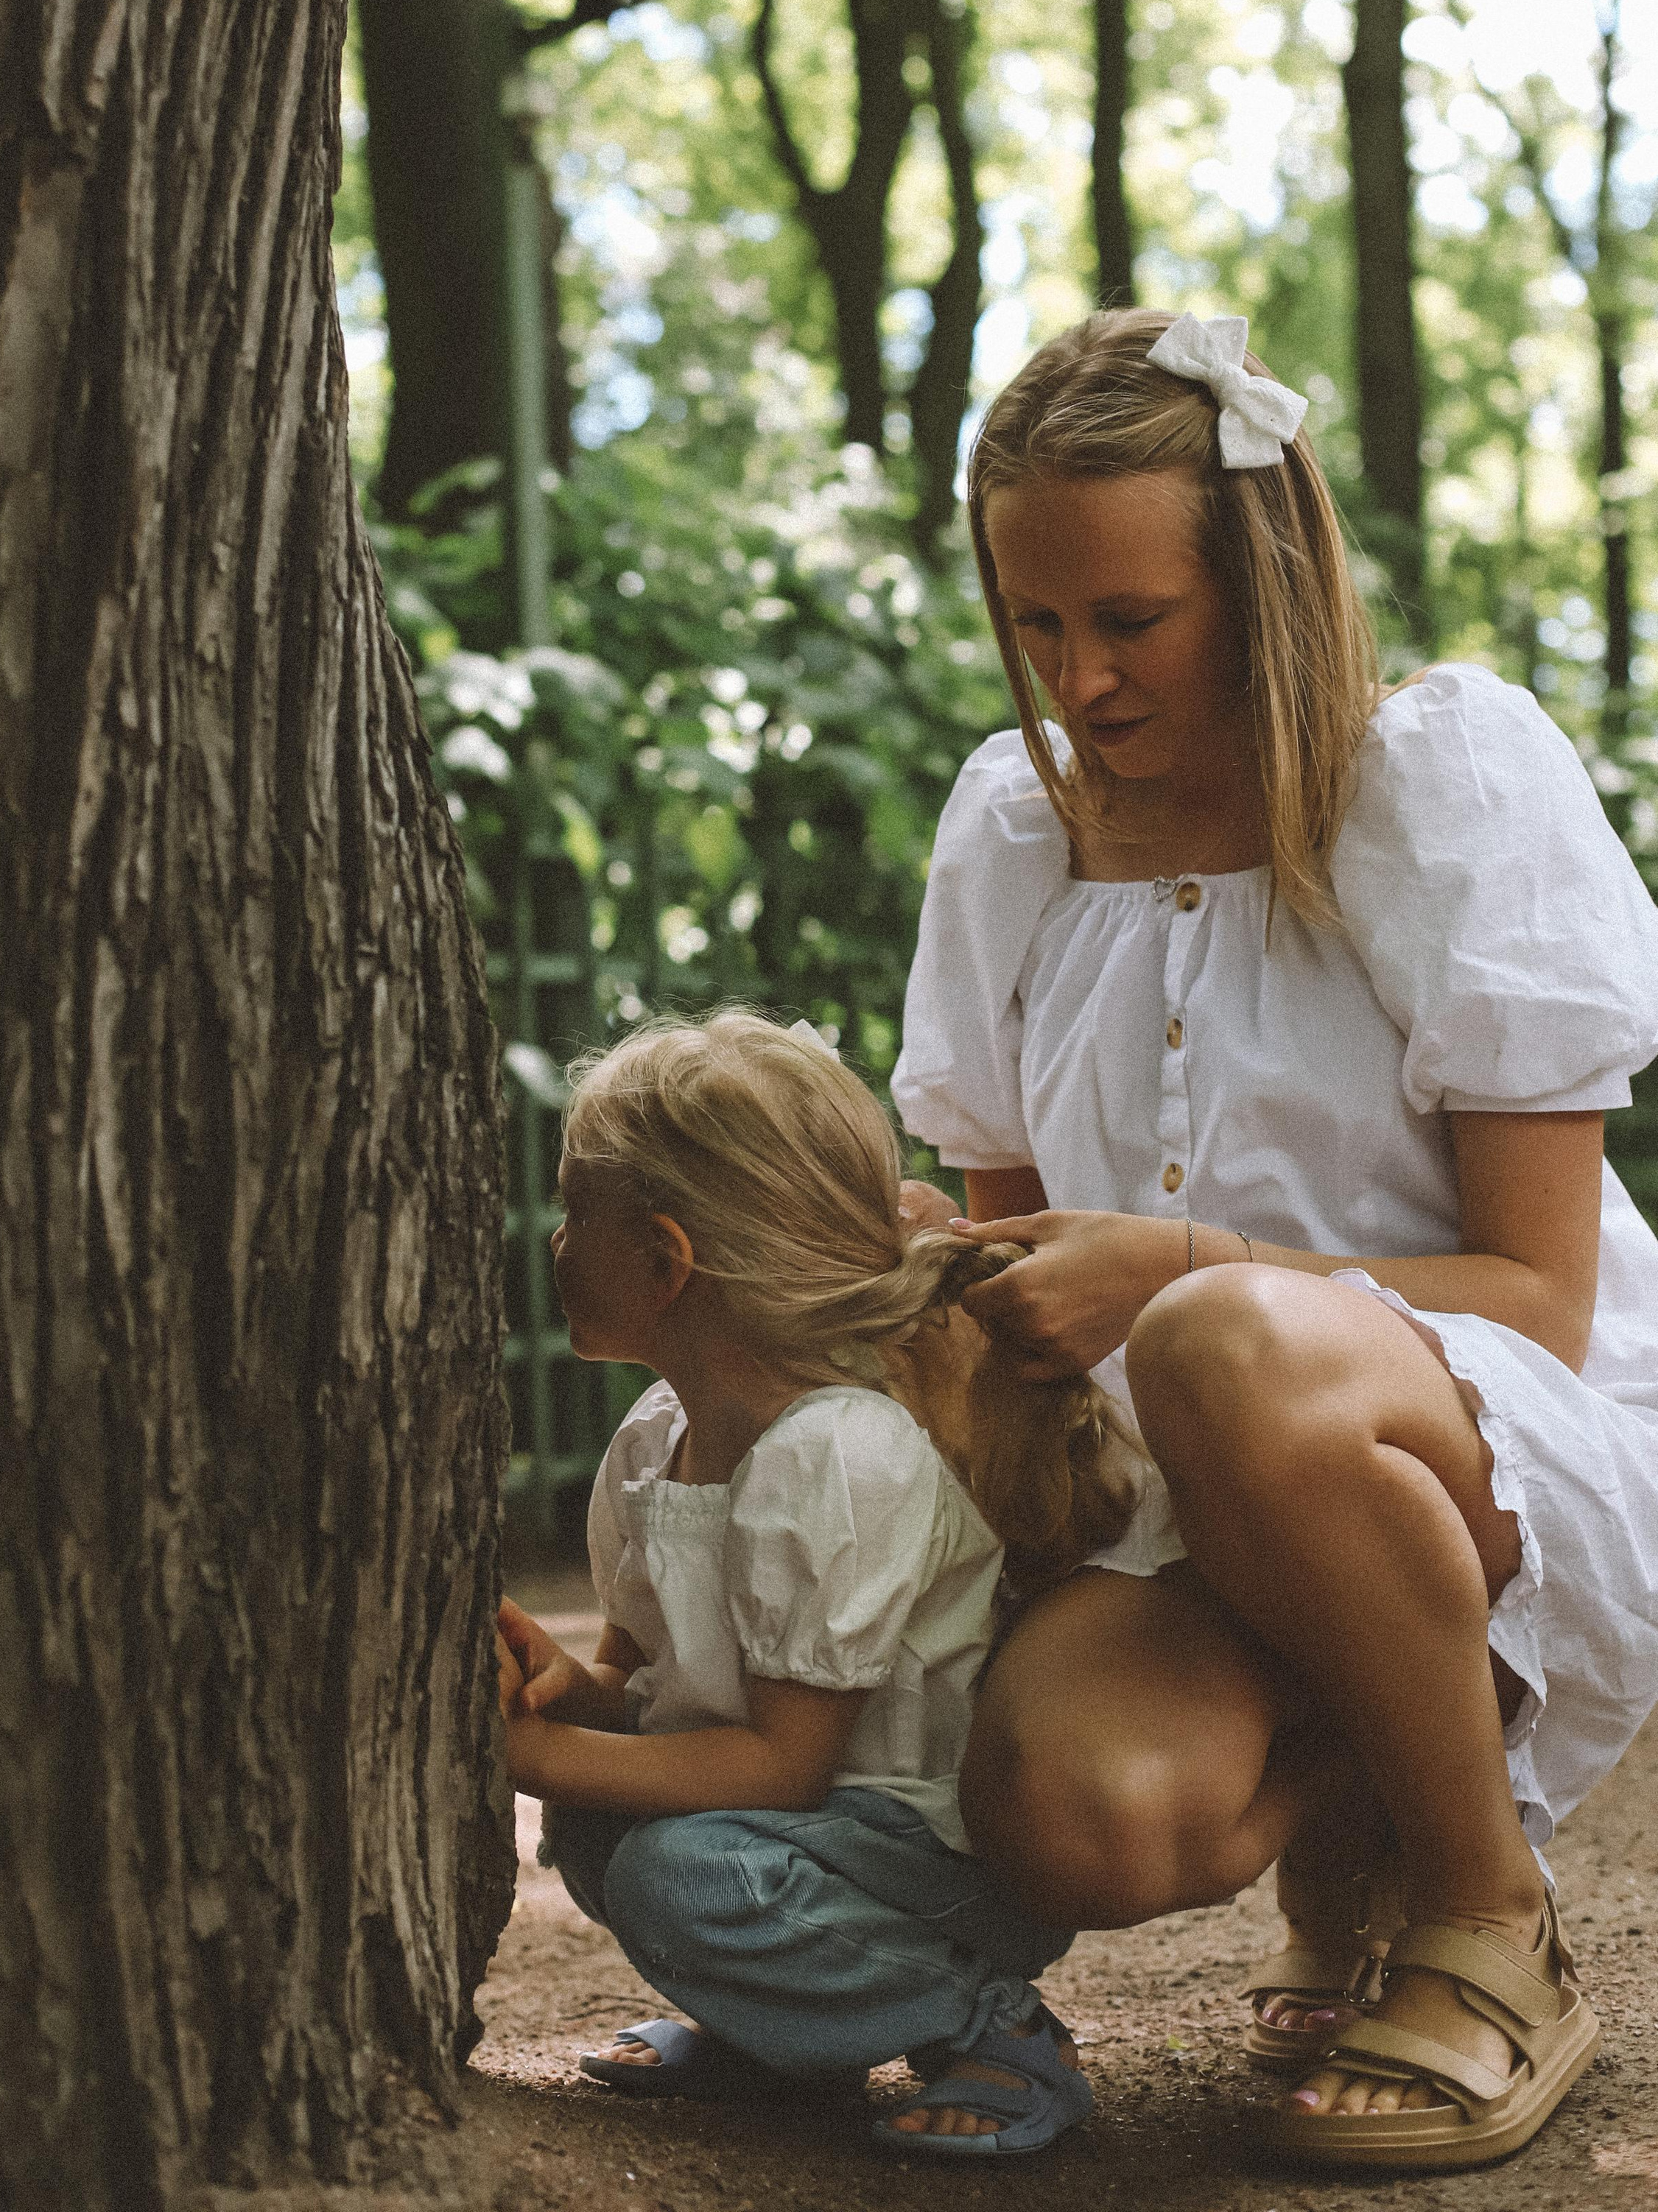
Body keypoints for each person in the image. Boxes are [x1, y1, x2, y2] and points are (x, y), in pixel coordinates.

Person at [891, 306, 1658, 2169]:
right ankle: (1364, 1811)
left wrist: (1171, 1273)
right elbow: (1033, 1297)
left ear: (1258, 575)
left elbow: (1538, 1299)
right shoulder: (1012, 833)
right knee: (1084, 1814)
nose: (1079, 677)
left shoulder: (1437, 782)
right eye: (1038, 625)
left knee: (1221, 1337)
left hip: (1479, 1437)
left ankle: (1486, 1914)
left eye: (1128, 621)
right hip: (1177, 1494)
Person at [495, 1008, 1128, 2160]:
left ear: (666, 1259)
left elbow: (782, 1766)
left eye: (575, 1211)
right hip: (799, 1828)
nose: (552, 1240)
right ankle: (793, 2033)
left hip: (923, 1857)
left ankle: (994, 2022)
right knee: (605, 1824)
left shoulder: (836, 1454)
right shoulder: (656, 1439)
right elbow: (647, 1696)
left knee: (679, 1877)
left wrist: (527, 1760)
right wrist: (564, 1692)